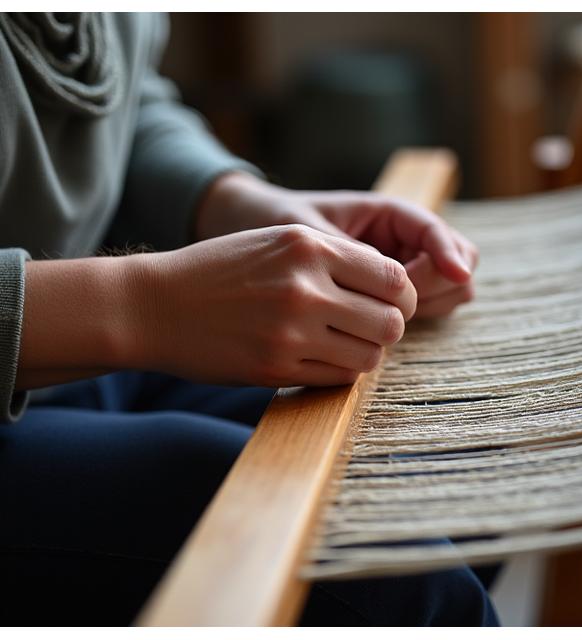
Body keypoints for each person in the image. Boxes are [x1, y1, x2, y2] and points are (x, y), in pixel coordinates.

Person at [0, 12, 498, 625]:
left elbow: (125, 103)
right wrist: (144, 304)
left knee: (460, 455)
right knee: (394, 578)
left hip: (79, 363)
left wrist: (240, 203)